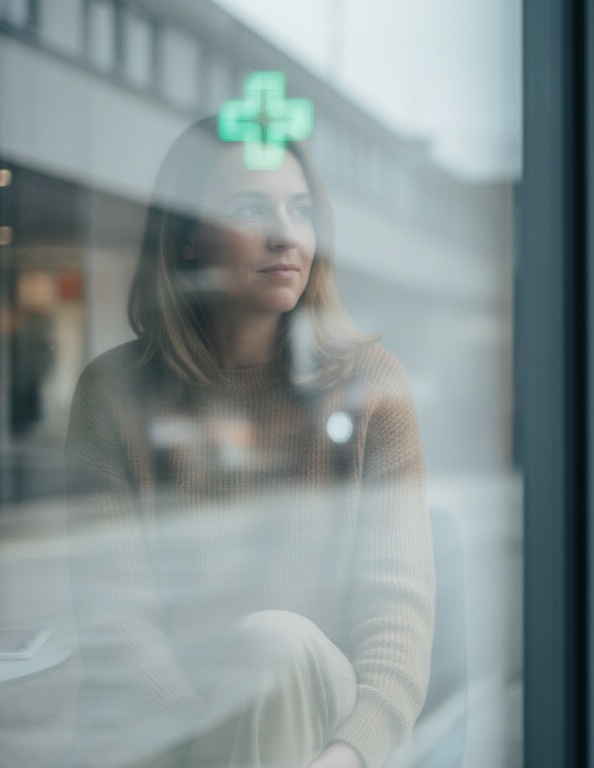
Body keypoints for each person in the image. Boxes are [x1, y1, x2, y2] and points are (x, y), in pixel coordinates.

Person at [64, 117, 434, 768]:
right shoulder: (112, 392)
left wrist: (350, 754)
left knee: (274, 646)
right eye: (249, 209)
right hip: (162, 738)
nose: (285, 235)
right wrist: (218, 746)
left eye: (300, 211)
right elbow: (115, 627)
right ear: (187, 240)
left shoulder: (372, 387)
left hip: (325, 738)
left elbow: (396, 619)